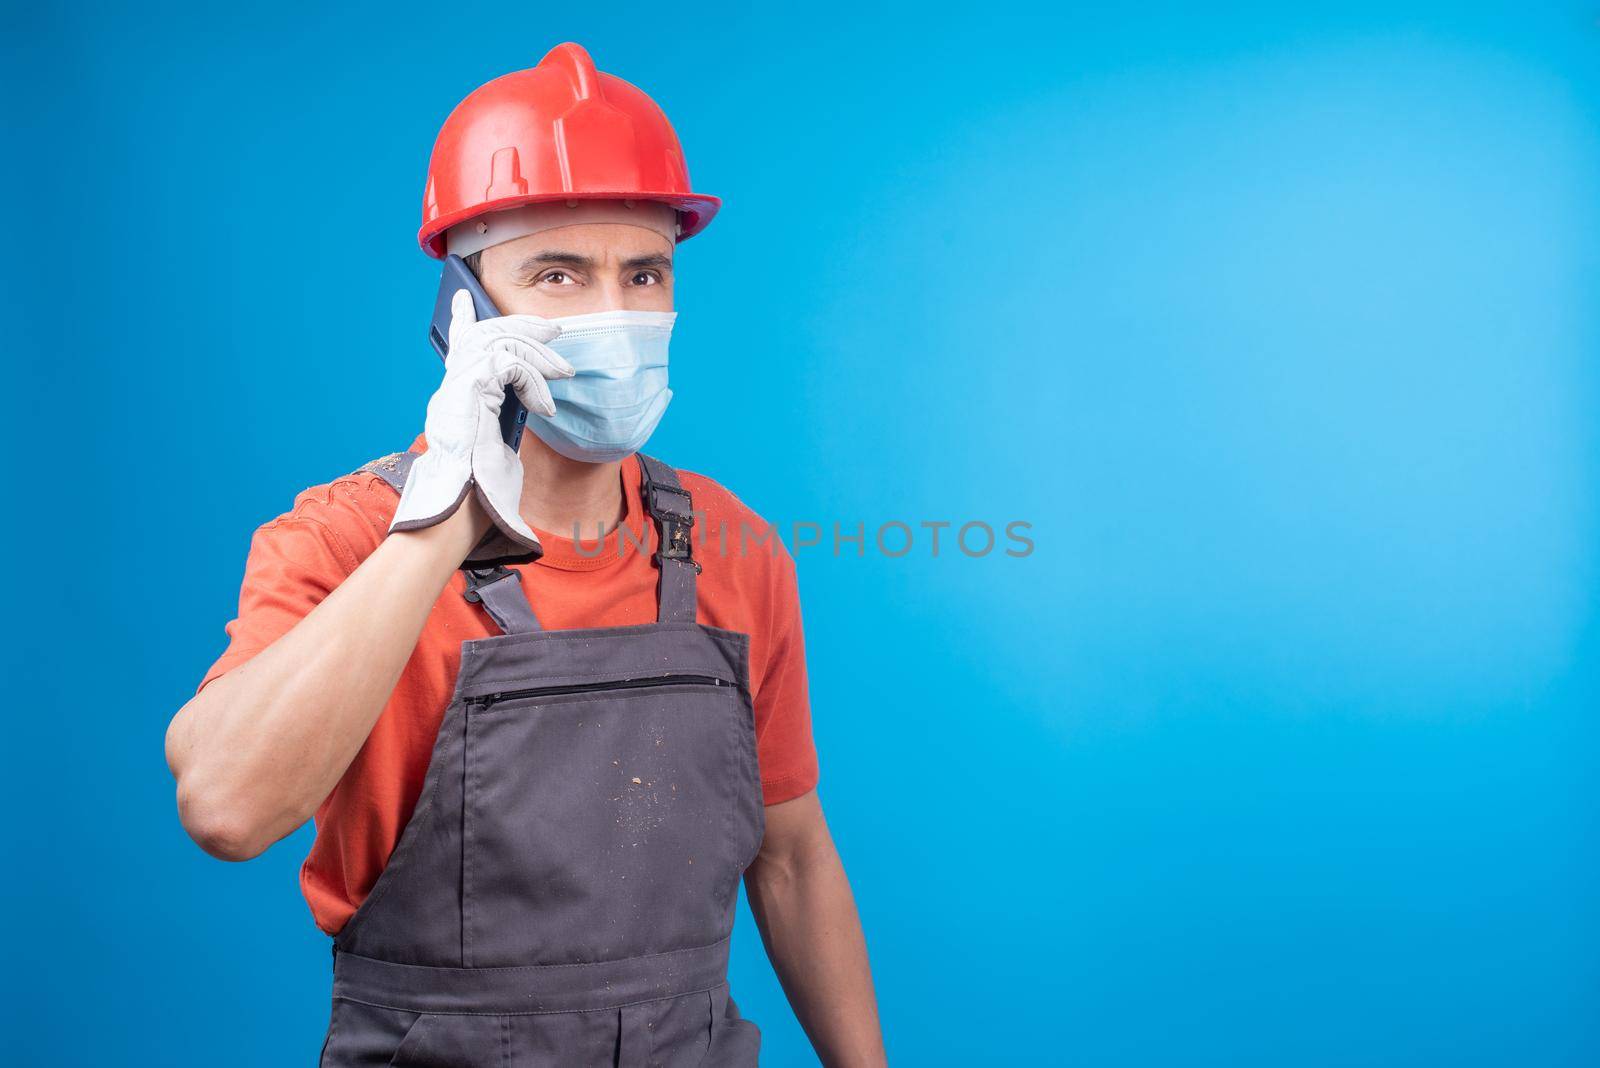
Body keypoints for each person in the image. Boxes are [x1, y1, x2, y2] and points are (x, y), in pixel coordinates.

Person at [164, 42, 887, 1067]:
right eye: (559, 274)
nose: (615, 315)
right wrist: (442, 523)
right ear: (463, 308)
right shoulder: (337, 540)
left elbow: (795, 860)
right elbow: (227, 810)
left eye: (644, 274)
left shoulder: (734, 545)